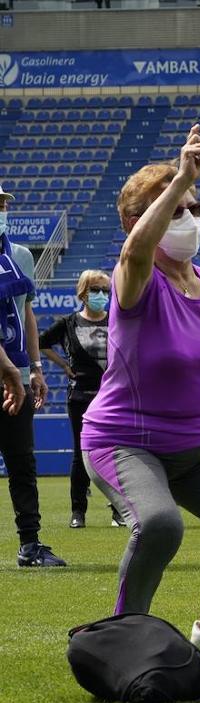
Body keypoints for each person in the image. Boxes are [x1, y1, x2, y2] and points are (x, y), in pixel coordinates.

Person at [81, 126, 200, 652]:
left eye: (195, 208)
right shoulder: (136, 280)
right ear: (134, 221)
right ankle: (124, 636)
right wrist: (182, 174)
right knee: (161, 525)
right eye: (173, 209)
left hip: (197, 446)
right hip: (124, 441)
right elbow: (134, 255)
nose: (187, 219)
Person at [0, 182, 63, 567]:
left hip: (18, 375)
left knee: (22, 462)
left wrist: (36, 367)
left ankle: (30, 543)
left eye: (3, 202)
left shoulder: (20, 256)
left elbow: (26, 312)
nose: (2, 207)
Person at [39, 269, 124, 528]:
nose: (101, 295)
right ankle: (78, 512)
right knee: (80, 454)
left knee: (116, 453)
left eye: (105, 291)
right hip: (80, 396)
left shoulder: (116, 322)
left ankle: (119, 511)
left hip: (113, 396)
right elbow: (41, 342)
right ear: (82, 293)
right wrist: (64, 365)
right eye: (95, 290)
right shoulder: (69, 323)